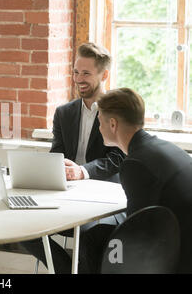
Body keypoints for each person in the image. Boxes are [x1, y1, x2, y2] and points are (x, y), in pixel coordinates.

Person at [20, 42, 125, 273]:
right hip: (66, 196)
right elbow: (56, 155)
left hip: (104, 203)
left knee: (88, 236)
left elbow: (118, 158)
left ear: (104, 74)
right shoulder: (63, 113)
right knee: (21, 226)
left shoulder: (118, 111)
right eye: (76, 72)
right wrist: (40, 173)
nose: (78, 79)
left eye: (86, 73)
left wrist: (82, 171)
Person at [77, 87, 192, 273]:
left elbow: (135, 230)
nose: (99, 129)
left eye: (100, 123)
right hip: (179, 238)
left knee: (93, 240)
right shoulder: (161, 146)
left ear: (113, 124)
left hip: (179, 252)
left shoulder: (135, 163)